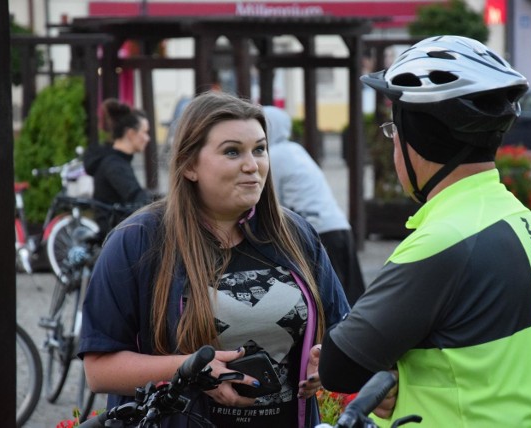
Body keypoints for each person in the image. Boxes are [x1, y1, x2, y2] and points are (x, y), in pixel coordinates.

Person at [319, 35, 531, 427]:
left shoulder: (446, 238)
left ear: (416, 141)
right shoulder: (515, 215)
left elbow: (339, 365)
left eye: (393, 131)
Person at [79, 91, 350, 428]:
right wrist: (190, 369)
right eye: (232, 152)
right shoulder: (137, 239)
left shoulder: (295, 234)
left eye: (260, 149)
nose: (252, 165)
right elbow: (98, 369)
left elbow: (342, 326)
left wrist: (323, 358)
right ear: (190, 165)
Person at [262, 105, 366, 305]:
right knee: (352, 298)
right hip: (338, 225)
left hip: (316, 231)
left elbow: (270, 200)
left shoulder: (274, 155)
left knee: (326, 299)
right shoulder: (295, 149)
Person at [83, 98, 156, 237]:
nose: (148, 138)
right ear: (130, 134)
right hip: (114, 234)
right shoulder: (114, 165)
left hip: (119, 229)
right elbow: (136, 197)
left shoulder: (116, 160)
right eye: (145, 132)